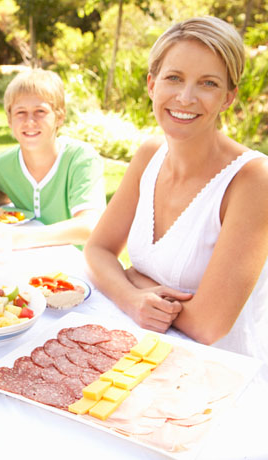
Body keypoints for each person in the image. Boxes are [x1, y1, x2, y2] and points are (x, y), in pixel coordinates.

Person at [84, 17, 268, 377]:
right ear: (152, 84)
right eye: (174, 78)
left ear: (228, 97)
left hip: (223, 377)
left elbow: (208, 326)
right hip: (146, 356)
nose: (185, 97)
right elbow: (96, 251)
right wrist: (132, 296)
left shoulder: (254, 180)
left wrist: (132, 276)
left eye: (208, 83)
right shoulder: (149, 154)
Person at [0, 69, 105, 248]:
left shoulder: (81, 160)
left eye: (40, 111)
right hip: (31, 260)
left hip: (82, 263)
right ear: (9, 120)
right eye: (20, 112)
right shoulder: (2, 166)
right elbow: (4, 190)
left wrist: (16, 237)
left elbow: (89, 226)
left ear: (59, 116)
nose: (30, 121)